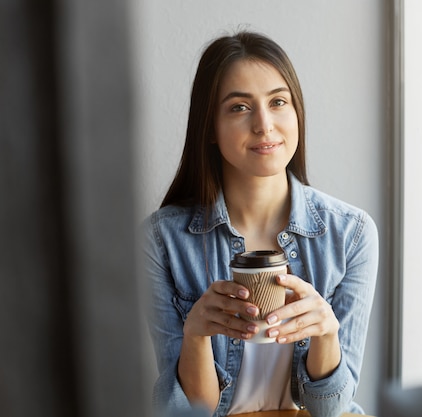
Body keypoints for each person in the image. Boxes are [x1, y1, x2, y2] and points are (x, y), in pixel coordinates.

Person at [142, 31, 378, 417]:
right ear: (210, 129)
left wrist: (326, 333)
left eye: (278, 102)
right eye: (239, 108)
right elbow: (184, 411)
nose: (264, 125)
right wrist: (196, 335)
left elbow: (330, 410)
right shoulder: (161, 240)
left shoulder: (350, 234)